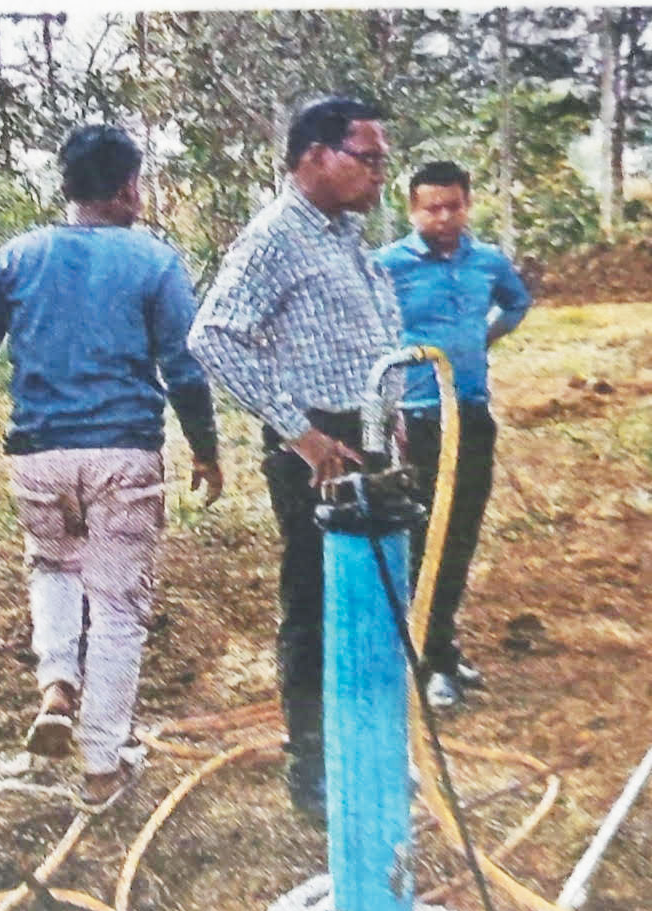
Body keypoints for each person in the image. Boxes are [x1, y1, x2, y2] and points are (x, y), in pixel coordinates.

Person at [0, 124, 224, 809]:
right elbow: (182, 366)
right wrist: (204, 447)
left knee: (52, 567)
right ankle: (100, 766)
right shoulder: (153, 259)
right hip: (123, 453)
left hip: (38, 455)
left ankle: (57, 684)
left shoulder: (16, 256)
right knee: (118, 606)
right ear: (126, 188)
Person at [188, 96, 401, 820]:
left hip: (366, 437)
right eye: (366, 158)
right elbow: (212, 337)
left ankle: (367, 751)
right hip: (316, 449)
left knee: (373, 599)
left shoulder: (342, 235)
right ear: (314, 155)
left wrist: (388, 419)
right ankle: (313, 770)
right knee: (315, 603)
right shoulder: (275, 236)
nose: (379, 175)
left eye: (381, 160)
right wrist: (299, 434)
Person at [371, 160, 533, 709]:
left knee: (461, 532)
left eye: (454, 206)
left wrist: (481, 341)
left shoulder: (486, 262)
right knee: (424, 537)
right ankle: (423, 659)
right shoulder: (387, 266)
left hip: (471, 413)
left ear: (469, 204)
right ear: (412, 209)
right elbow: (366, 329)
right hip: (416, 419)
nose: (444, 217)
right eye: (431, 207)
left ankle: (442, 645)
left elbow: (517, 303)